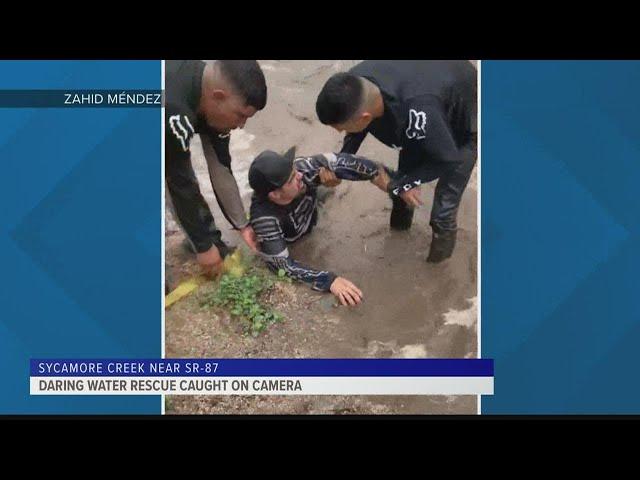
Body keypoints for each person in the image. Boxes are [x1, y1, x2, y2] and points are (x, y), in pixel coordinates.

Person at [315, 60, 477, 263]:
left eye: (339, 127)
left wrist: (402, 184)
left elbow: (448, 160)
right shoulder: (355, 83)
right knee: (400, 194)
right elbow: (355, 130)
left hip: (459, 125)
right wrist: (338, 165)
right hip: (421, 94)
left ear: (365, 118)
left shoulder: (418, 111)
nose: (339, 132)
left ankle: (437, 271)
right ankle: (398, 238)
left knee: (442, 214)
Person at [248, 148, 390, 306]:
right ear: (275, 195)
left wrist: (378, 174)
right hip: (293, 235)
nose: (299, 175)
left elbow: (339, 160)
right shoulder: (264, 218)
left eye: (294, 171)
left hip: (314, 209)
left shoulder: (302, 169)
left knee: (329, 187)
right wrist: (328, 280)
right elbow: (282, 265)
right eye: (291, 179)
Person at [165, 60, 267, 277]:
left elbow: (221, 167)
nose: (241, 125)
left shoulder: (208, 91)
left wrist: (242, 225)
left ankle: (205, 240)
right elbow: (177, 183)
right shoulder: (174, 112)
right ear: (218, 96)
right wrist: (203, 247)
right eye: (241, 115)